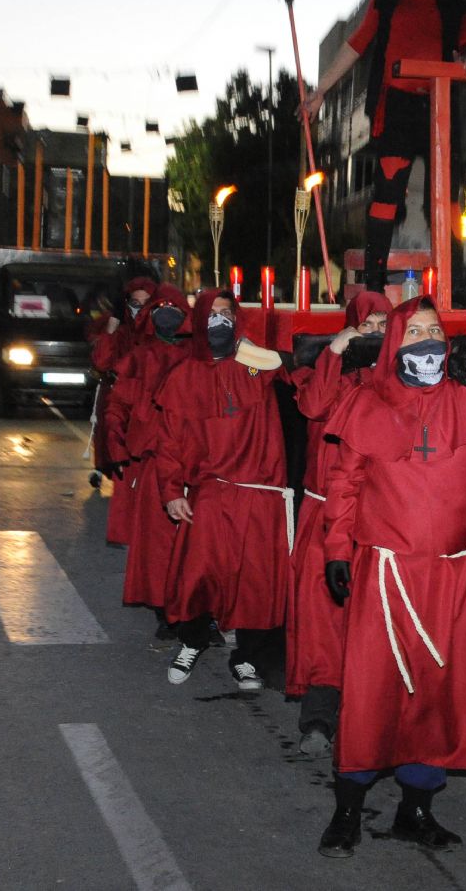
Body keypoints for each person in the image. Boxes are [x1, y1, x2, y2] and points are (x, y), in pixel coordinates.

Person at [315, 296, 466, 857]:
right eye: (413, 331)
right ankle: (348, 810)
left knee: (438, 696)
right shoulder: (367, 401)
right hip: (387, 573)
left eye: (434, 330)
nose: (425, 340)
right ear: (394, 343)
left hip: (453, 574)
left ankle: (414, 810)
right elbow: (345, 485)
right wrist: (336, 550)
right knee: (374, 695)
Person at [304, 0, 466, 302]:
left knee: (447, 199)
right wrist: (321, 91)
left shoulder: (458, 8)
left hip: (439, 108)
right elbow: (357, 43)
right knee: (387, 192)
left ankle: (457, 284)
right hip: (396, 106)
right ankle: (374, 283)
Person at [156, 290, 289, 690]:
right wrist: (171, 490)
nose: (219, 322)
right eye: (211, 315)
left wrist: (247, 345)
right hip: (211, 487)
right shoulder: (183, 376)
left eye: (227, 314)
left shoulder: (254, 366)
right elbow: (169, 440)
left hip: (259, 489)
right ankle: (192, 641)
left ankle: (245, 657)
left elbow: (277, 364)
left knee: (254, 580)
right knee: (199, 572)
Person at [287, 291, 392, 759]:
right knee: (322, 621)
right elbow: (312, 407)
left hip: (378, 520)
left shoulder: (396, 379)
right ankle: (319, 717)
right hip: (324, 513)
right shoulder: (323, 371)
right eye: (367, 324)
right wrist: (335, 350)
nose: (375, 332)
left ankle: (371, 720)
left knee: (373, 622)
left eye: (384, 324)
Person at [106, 283, 189, 618]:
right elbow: (118, 406)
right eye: (159, 308)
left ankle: (195, 611)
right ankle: (165, 611)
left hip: (192, 464)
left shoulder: (197, 356)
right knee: (157, 546)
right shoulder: (140, 358)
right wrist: (117, 447)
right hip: (153, 462)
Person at [92, 277, 159, 546]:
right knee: (124, 468)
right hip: (122, 406)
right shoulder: (120, 333)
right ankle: (124, 530)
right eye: (135, 303)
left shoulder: (160, 332)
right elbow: (101, 361)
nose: (140, 309)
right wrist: (111, 329)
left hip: (149, 409)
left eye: (146, 303)